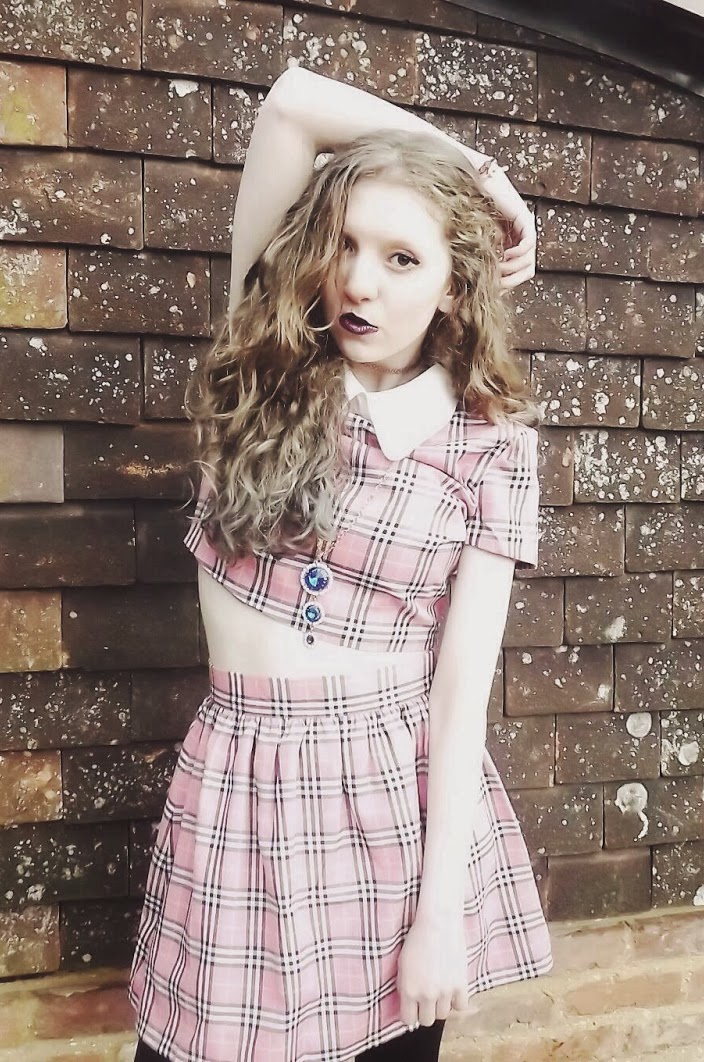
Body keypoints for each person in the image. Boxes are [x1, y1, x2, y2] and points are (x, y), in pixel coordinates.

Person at [126, 64, 553, 1062]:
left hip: (391, 805)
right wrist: (482, 177)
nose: (360, 281)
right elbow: (292, 105)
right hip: (239, 782)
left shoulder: (489, 447)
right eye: (347, 246)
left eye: (403, 258)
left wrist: (438, 916)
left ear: (455, 285)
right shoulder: (260, 370)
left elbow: (460, 700)